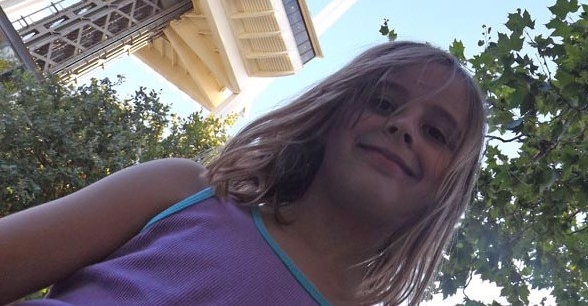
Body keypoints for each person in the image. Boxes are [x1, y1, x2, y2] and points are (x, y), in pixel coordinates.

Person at [0, 41, 487, 305]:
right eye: (382, 102)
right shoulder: (179, 192)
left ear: (447, 191)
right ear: (330, 115)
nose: (403, 126)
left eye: (436, 133)